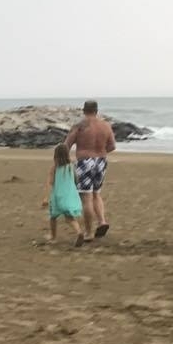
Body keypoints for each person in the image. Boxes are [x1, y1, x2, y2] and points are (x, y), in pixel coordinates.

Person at [65, 100, 117, 241]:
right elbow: (112, 146)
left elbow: (66, 146)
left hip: (84, 161)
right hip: (101, 161)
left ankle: (89, 233)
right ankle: (102, 221)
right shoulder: (105, 125)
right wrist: (100, 152)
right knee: (96, 193)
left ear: (83, 110)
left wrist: (66, 161)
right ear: (96, 111)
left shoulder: (79, 126)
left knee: (86, 197)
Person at [41, 142, 86, 246]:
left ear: (55, 155)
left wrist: (46, 198)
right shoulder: (71, 167)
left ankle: (53, 237)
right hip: (70, 196)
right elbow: (76, 180)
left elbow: (49, 183)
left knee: (53, 217)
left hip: (58, 197)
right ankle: (79, 232)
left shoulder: (54, 168)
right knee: (70, 218)